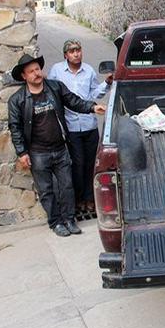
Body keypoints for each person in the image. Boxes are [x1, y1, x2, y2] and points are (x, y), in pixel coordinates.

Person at [8, 54, 106, 237]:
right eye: (31, 71)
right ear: (24, 76)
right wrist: (22, 152)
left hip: (60, 149)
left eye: (37, 69)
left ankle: (69, 219)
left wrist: (92, 107)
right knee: (46, 190)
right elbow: (15, 128)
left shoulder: (54, 87)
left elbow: (73, 101)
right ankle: (55, 222)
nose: (36, 73)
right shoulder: (17, 100)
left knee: (67, 186)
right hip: (38, 153)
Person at [48, 39, 112, 213]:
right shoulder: (57, 71)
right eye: (72, 51)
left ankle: (90, 199)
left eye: (78, 50)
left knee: (91, 164)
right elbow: (53, 94)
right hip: (71, 126)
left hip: (89, 124)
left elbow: (93, 94)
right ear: (65, 55)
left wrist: (106, 83)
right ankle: (77, 200)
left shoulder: (89, 70)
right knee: (77, 164)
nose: (76, 53)